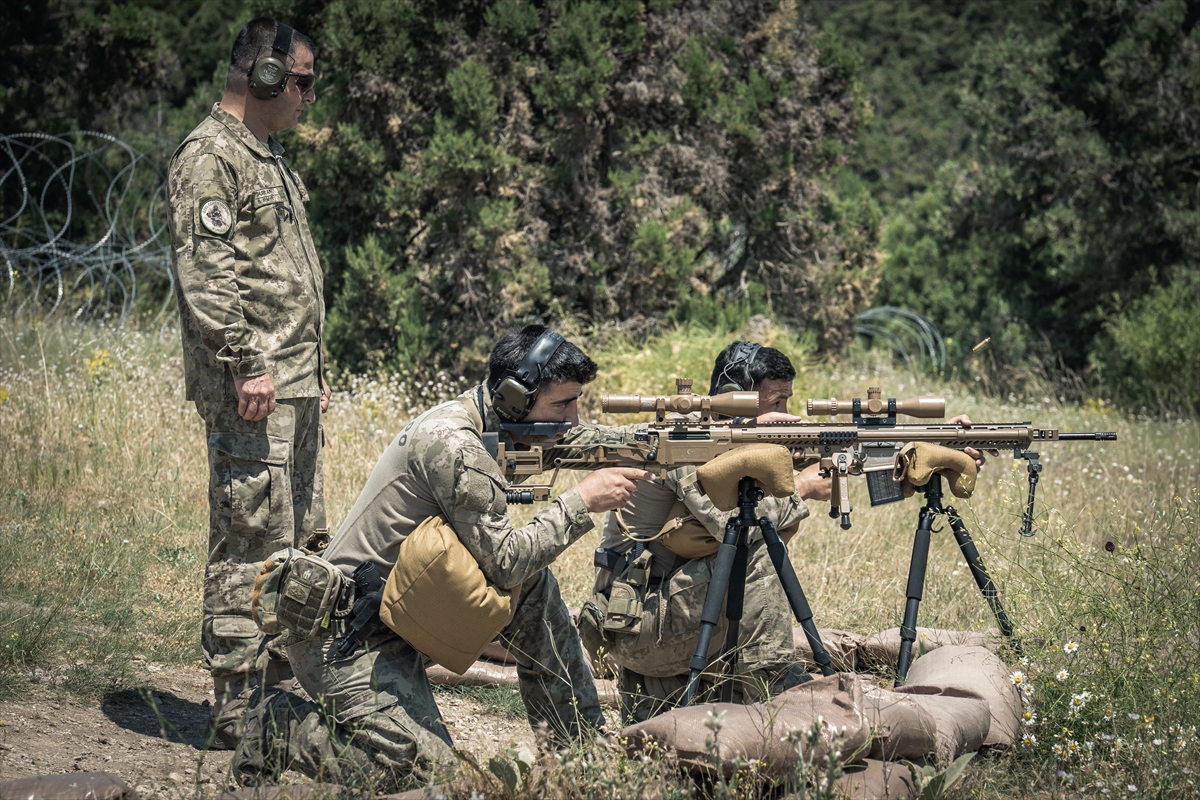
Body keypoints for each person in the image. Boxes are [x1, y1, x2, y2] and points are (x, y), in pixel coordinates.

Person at [231, 325, 655, 791]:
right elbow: (505, 562)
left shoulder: (493, 418)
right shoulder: (455, 445)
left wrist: (666, 441)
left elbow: (582, 439)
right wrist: (582, 501)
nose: (573, 419)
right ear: (515, 398)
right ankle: (278, 725)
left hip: (404, 611)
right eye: (563, 405)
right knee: (425, 777)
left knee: (534, 588)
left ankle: (579, 759)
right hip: (346, 637)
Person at [588, 341, 989, 722]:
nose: (788, 415)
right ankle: (774, 682)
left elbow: (845, 456)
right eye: (776, 403)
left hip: (672, 624)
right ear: (734, 401)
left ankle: (762, 682)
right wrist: (803, 486)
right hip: (637, 629)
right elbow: (733, 523)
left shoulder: (743, 441)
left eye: (788, 401)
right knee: (752, 547)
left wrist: (932, 445)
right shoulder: (687, 440)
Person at [166, 17, 329, 748]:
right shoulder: (210, 157)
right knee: (248, 544)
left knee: (297, 544)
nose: (307, 97)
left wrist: (312, 372)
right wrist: (247, 364)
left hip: (292, 386)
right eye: (301, 82)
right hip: (254, 390)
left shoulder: (267, 156)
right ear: (264, 75)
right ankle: (236, 712)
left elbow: (285, 276)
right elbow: (208, 274)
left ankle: (276, 693)